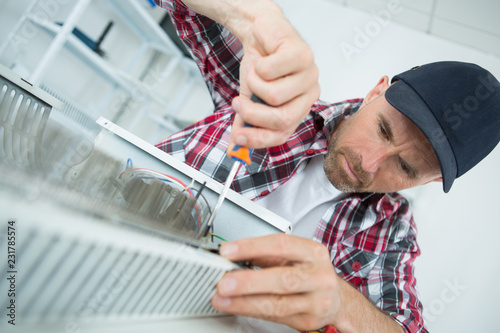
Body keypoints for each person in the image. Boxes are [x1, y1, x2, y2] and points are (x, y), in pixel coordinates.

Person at [153, 0, 500, 332]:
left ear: (430, 180)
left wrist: (343, 305)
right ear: (375, 91)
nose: (369, 162)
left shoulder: (390, 232)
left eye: (406, 167)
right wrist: (255, 17)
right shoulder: (280, 101)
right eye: (382, 129)